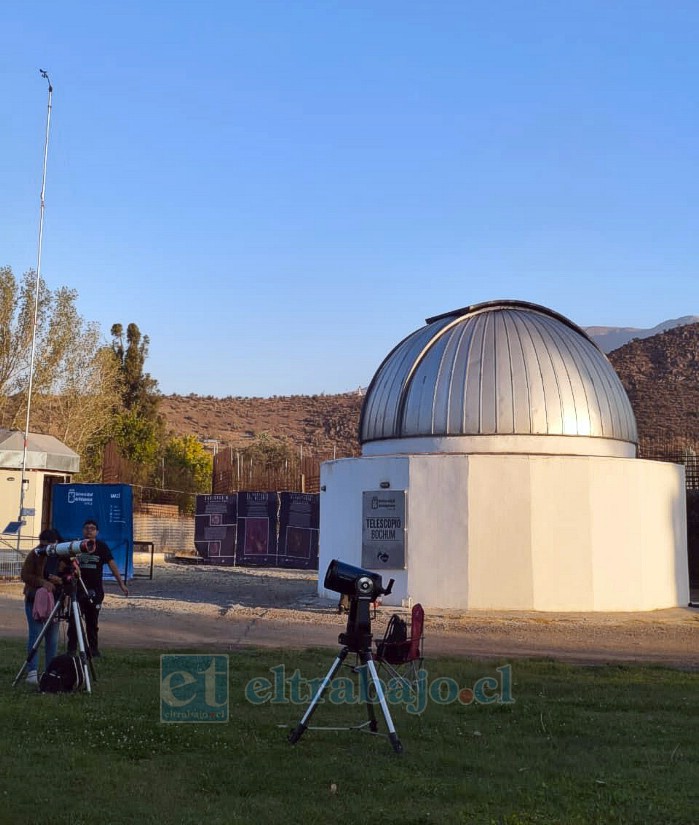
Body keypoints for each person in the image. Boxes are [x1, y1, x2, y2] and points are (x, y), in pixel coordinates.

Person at [67, 519, 129, 658]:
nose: (89, 530)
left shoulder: (101, 547)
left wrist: (121, 584)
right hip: (78, 590)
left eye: (93, 528)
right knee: (73, 621)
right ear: (83, 530)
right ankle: (71, 650)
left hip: (95, 591)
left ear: (97, 532)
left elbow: (112, 565)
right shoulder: (76, 546)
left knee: (92, 622)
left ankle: (93, 651)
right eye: (87, 528)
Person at [20, 528, 62, 686]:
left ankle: (50, 670)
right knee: (35, 635)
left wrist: (60, 580)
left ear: (55, 544)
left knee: (52, 639)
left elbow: (69, 576)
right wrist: (42, 582)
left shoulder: (62, 555)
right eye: (42, 545)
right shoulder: (35, 553)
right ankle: (32, 671)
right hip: (34, 599)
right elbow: (25, 575)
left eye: (48, 546)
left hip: (55, 601)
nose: (45, 549)